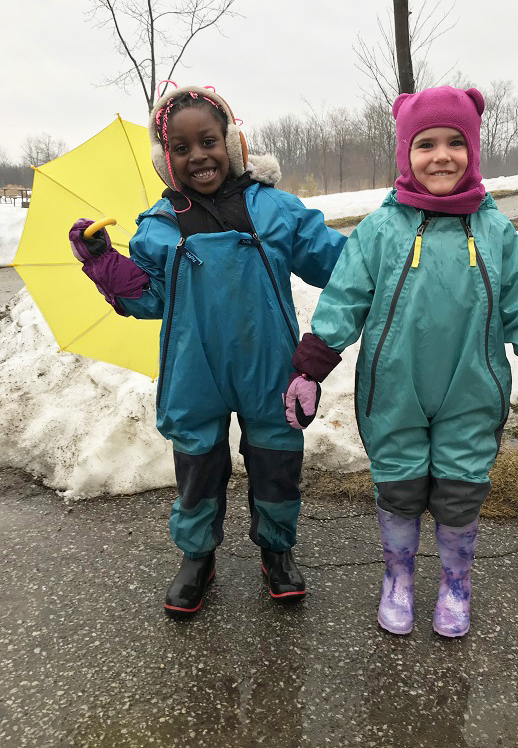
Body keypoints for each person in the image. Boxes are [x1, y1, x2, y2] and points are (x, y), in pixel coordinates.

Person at [284, 86, 518, 638]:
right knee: (398, 485)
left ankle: (454, 584)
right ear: (404, 152)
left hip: (472, 387)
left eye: (454, 143)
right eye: (425, 144)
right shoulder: (380, 229)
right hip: (393, 391)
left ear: (473, 149)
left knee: (461, 488)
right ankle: (397, 579)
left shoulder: (495, 231)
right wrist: (310, 368)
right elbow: (344, 300)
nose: (441, 156)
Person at [69, 83, 346, 618]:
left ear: (232, 142)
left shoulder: (275, 210)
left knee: (276, 461)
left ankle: (276, 549)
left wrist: (387, 242)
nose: (198, 155)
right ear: (165, 159)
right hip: (195, 370)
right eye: (180, 147)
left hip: (268, 366)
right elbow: (146, 298)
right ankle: (197, 556)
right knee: (197, 467)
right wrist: (104, 261)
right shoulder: (158, 226)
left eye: (209, 140)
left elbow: (341, 266)